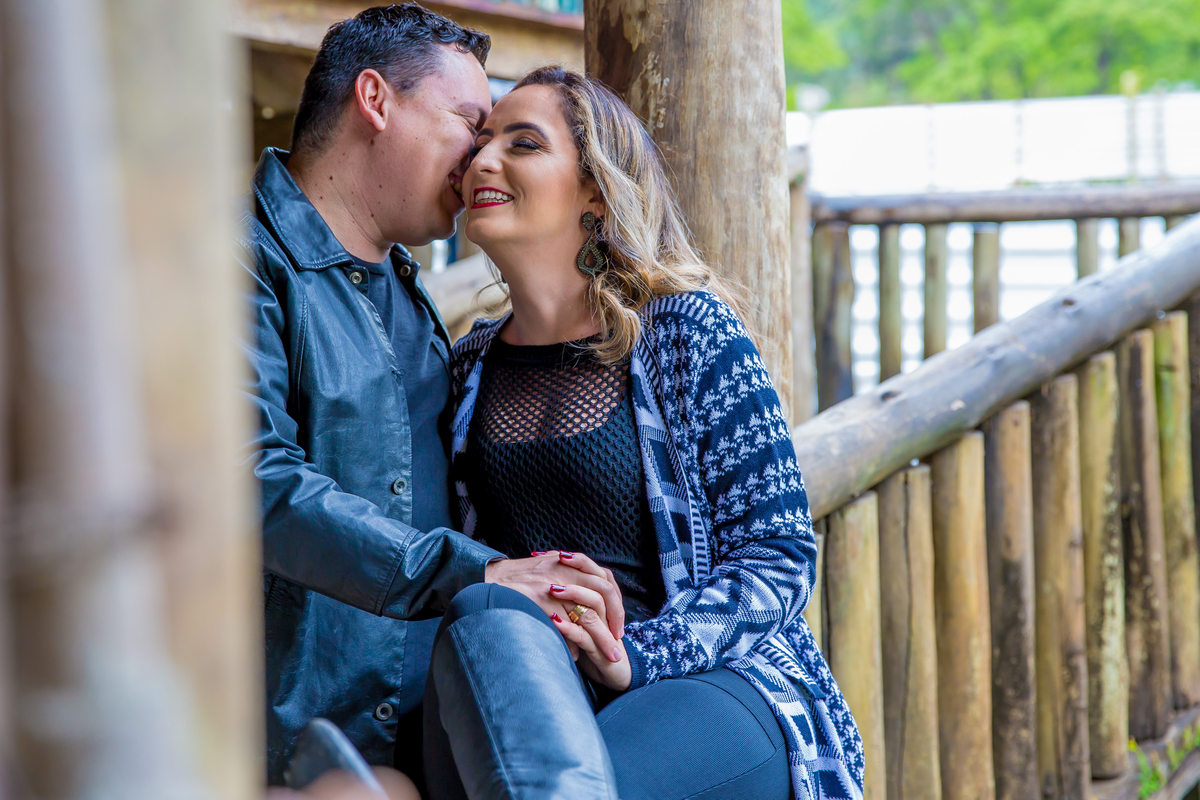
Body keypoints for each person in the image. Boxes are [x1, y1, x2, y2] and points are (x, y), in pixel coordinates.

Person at [424, 67, 866, 800]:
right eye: (482, 141)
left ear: (595, 191)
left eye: (523, 144)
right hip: (543, 694)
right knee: (483, 617)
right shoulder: (468, 366)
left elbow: (779, 556)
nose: (483, 162)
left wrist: (636, 653)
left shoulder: (685, 332)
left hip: (710, 682)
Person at [238, 6, 624, 788]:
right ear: (375, 101)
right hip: (281, 742)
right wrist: (473, 575)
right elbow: (253, 485)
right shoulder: (236, 260)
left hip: (434, 739)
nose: (477, 156)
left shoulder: (414, 304)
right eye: (469, 122)